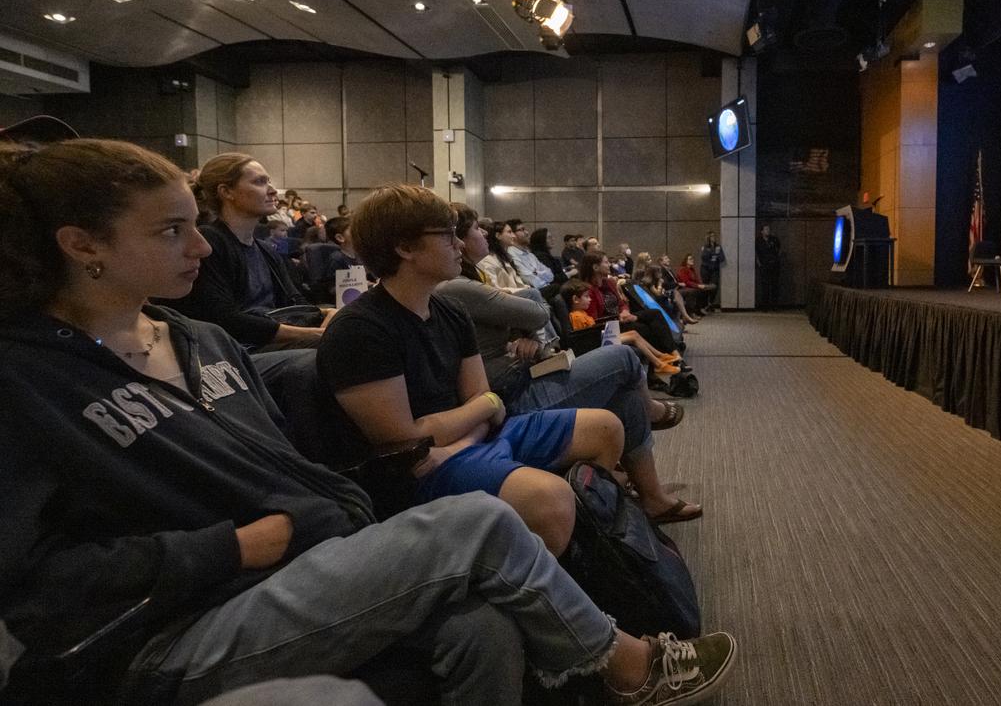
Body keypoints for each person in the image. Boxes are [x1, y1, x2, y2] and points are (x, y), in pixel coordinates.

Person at [0, 138, 737, 706]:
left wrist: (340, 520)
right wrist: (231, 547)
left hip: (287, 566)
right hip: (160, 630)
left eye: (196, 227)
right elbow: (36, 587)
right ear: (82, 244)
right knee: (475, 523)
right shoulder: (25, 379)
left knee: (481, 627)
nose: (199, 248)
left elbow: (298, 473)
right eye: (171, 230)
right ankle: (629, 667)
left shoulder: (202, 342)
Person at [317, 186, 699, 558]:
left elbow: (489, 402)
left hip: (459, 446)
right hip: (414, 477)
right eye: (447, 236)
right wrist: (475, 414)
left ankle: (573, 546)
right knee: (550, 499)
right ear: (404, 247)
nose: (461, 245)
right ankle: (543, 576)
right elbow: (404, 443)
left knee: (606, 428)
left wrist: (459, 436)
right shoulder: (360, 329)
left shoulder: (449, 312)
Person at [437, 207, 693, 513]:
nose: (481, 236)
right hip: (513, 396)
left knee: (625, 399)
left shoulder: (467, 281)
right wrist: (517, 320)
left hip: (519, 378)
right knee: (624, 356)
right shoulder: (455, 287)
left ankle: (653, 498)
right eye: (476, 229)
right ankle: (652, 412)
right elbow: (537, 308)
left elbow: (530, 303)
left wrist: (516, 326)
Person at [166, 152, 332, 350]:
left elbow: (295, 301)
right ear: (226, 192)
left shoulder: (265, 250)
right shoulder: (209, 243)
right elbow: (225, 320)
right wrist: (316, 333)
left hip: (273, 342)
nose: (272, 191)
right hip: (239, 351)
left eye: (269, 182)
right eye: (260, 182)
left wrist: (327, 314)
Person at [562, 280, 682, 375]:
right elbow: (583, 337)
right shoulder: (577, 316)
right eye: (586, 296)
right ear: (575, 299)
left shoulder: (582, 313)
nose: (590, 299)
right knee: (634, 336)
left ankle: (661, 357)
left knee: (634, 333)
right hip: (596, 343)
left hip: (599, 338)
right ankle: (659, 364)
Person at [582, 253, 679, 356]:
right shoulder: (588, 290)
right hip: (611, 326)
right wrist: (619, 317)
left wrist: (625, 311)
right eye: (606, 262)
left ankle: (674, 354)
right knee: (647, 328)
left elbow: (622, 303)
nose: (609, 264)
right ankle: (670, 359)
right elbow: (595, 320)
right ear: (595, 267)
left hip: (623, 317)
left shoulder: (609, 282)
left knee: (655, 313)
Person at [477, 219, 528, 292]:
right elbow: (492, 288)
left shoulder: (506, 257)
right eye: (509, 232)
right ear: (498, 235)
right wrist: (521, 290)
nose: (513, 236)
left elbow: (518, 283)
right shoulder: (488, 260)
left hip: (514, 295)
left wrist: (525, 288)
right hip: (504, 298)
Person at [505, 218, 556, 290]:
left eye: (525, 229)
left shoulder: (530, 255)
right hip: (534, 292)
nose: (527, 232)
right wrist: (541, 274)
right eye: (521, 230)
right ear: (512, 234)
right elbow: (532, 282)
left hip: (547, 288)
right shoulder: (511, 254)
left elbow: (551, 276)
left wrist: (535, 273)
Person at [756, 224, 783, 310]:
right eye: (766, 229)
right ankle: (765, 306)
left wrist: (777, 259)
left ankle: (774, 305)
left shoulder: (774, 239)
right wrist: (759, 264)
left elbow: (779, 250)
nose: (768, 231)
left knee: (775, 285)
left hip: (774, 265)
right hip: (764, 265)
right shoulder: (758, 240)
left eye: (768, 229)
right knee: (765, 286)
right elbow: (756, 253)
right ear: (762, 231)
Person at [699, 231, 725, 311]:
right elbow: (704, 258)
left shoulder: (718, 246)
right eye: (711, 236)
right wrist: (714, 254)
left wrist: (714, 255)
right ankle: (705, 304)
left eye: (714, 236)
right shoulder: (704, 247)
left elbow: (722, 258)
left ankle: (711, 303)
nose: (713, 238)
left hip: (715, 269)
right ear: (708, 238)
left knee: (714, 287)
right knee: (706, 287)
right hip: (705, 269)